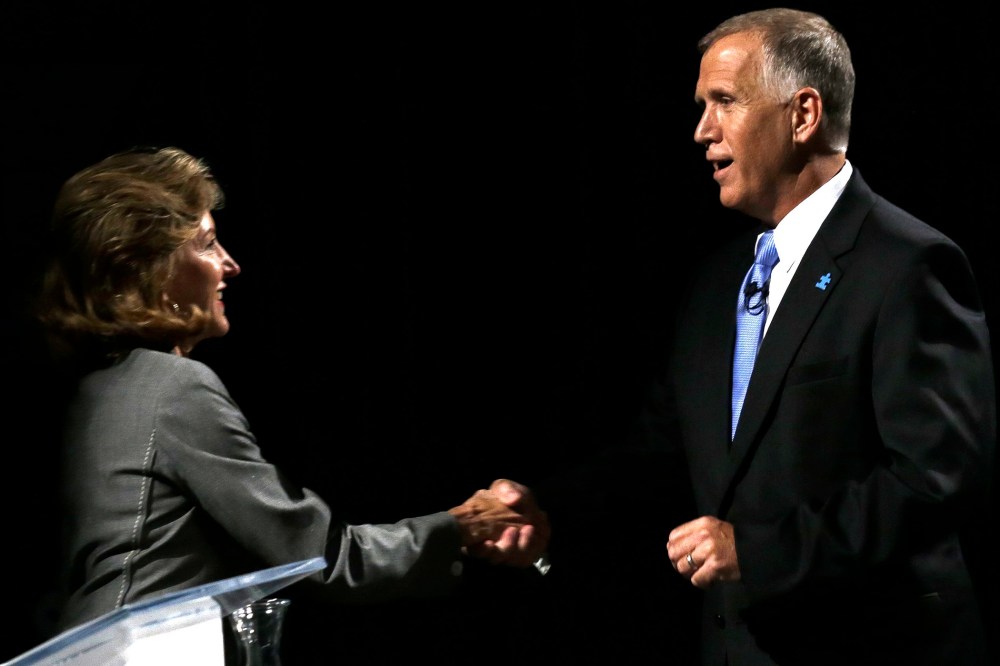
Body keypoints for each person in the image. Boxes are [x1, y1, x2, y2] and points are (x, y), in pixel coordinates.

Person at [33, 146, 551, 636]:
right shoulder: (173, 388)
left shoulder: (100, 389)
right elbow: (318, 557)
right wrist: (464, 524)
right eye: (208, 243)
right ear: (144, 266)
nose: (230, 265)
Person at [628, 8, 993, 665]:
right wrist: (542, 506)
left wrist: (760, 552)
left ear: (802, 115)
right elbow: (660, 451)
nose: (701, 130)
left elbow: (935, 480)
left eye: (724, 102)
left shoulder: (908, 266)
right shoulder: (716, 284)